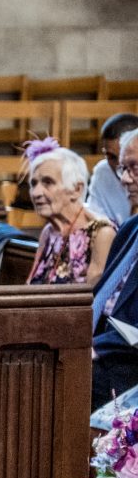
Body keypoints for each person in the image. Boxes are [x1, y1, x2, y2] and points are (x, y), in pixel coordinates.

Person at [24, 140, 114, 285]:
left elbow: (96, 299)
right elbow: (30, 285)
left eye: (48, 182)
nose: (36, 193)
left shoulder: (101, 233)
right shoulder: (49, 231)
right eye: (33, 184)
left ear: (76, 189)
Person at [92, 129, 138, 412]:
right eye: (122, 168)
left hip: (128, 365)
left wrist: (96, 348)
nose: (124, 179)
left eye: (133, 168)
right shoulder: (131, 228)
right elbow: (103, 300)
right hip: (102, 352)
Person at [86, 113, 138, 226]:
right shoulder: (102, 172)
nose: (124, 176)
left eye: (131, 164)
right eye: (112, 157)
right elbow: (95, 222)